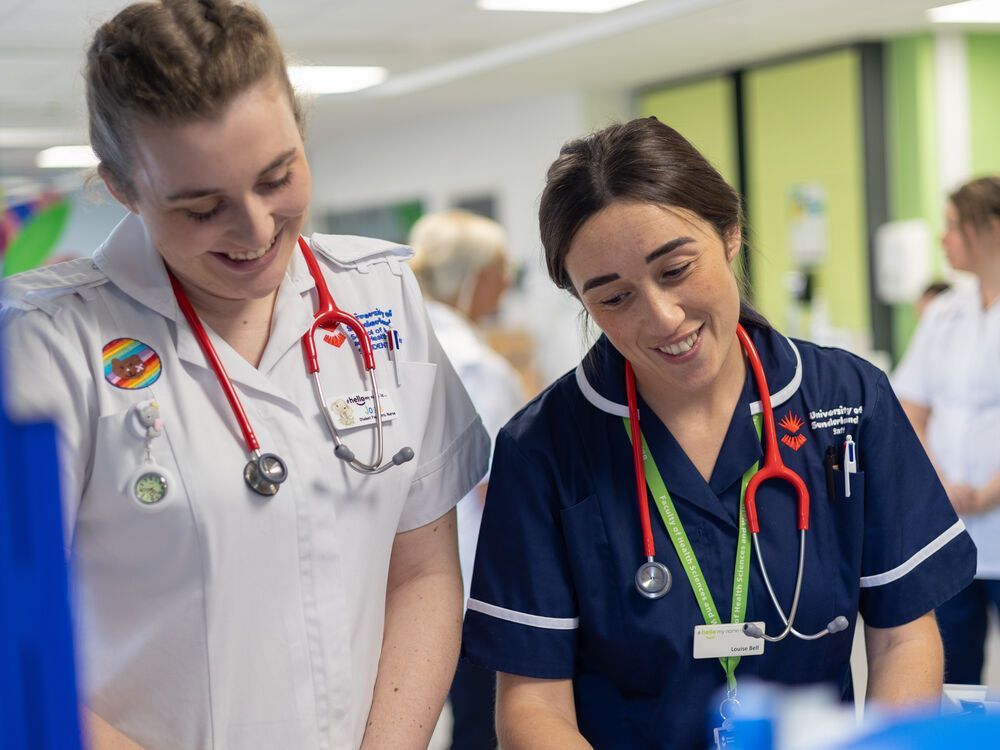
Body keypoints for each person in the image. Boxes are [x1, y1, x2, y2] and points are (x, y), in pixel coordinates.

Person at [0, 2, 489, 749]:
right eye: (202, 208)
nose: (257, 231)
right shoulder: (47, 348)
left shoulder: (377, 297)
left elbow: (420, 567)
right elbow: (19, 651)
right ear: (122, 186)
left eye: (277, 176)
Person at [459, 117, 978, 750]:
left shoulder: (846, 401)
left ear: (729, 232)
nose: (662, 317)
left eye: (675, 270)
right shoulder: (543, 449)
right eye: (614, 299)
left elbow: (903, 636)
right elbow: (532, 704)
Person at [409, 210, 526, 750]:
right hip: (468, 581)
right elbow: (499, 490)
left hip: (407, 577)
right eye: (501, 269)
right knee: (479, 728)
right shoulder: (477, 366)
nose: (507, 280)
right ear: (476, 276)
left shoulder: (402, 344)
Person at [894, 176, 1000, 686]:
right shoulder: (943, 314)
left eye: (954, 226)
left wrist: (990, 490)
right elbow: (911, 408)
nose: (944, 238)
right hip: (952, 525)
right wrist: (944, 482)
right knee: (956, 679)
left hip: (995, 510)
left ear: (992, 229)